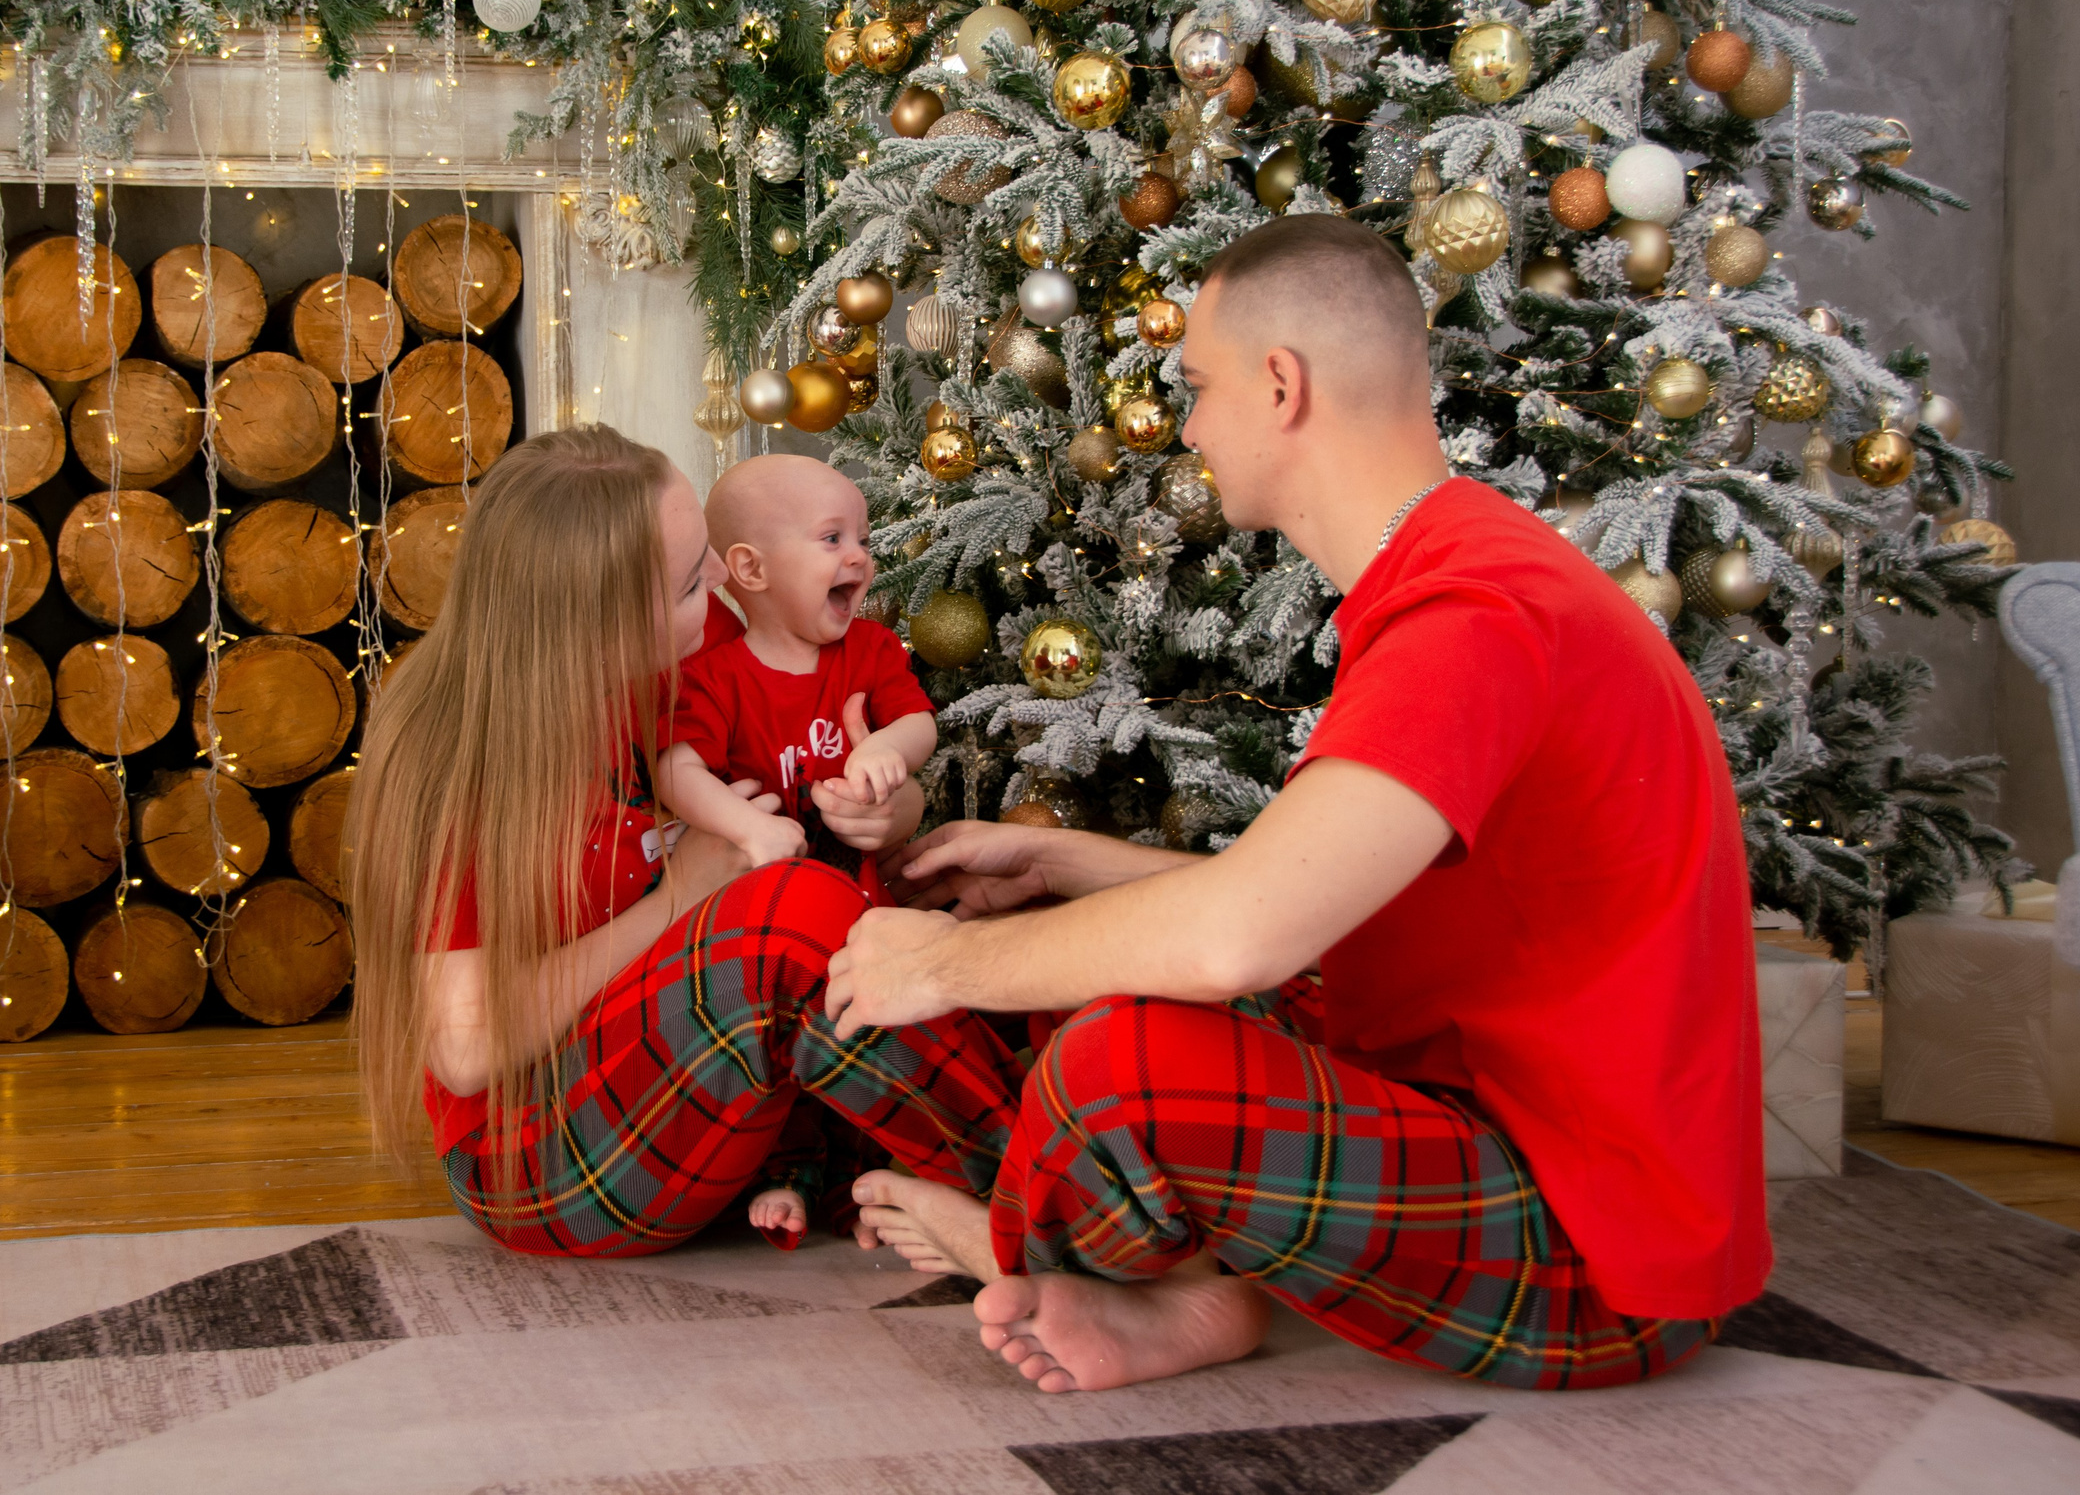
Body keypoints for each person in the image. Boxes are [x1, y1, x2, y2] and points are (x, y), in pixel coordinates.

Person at [828, 214, 1772, 1394]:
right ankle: (1191, 1294)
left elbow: (1244, 935)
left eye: (1198, 386)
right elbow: (1318, 901)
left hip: (1597, 1255)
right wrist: (1066, 863)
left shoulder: (1474, 613)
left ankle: (1033, 1248)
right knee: (1108, 966)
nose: (1186, 427)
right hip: (1512, 1133)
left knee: (1121, 1061)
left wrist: (940, 965)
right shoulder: (1463, 570)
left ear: (1281, 385)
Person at [347, 426, 1020, 1261]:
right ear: (604, 628)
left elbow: (819, 776)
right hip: (536, 1150)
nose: (719, 579)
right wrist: (679, 897)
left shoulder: (703, 645)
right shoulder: (452, 760)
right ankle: (1038, 1208)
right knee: (791, 916)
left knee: (954, 885)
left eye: (703, 551)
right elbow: (465, 1051)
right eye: (689, 582)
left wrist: (893, 809)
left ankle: (1054, 1144)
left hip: (717, 1078)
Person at [656, 453, 942, 1244]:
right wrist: (747, 828)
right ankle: (787, 1173)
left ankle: (876, 1181)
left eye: (862, 538)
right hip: (767, 929)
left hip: (863, 912)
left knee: (876, 1038)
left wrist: (886, 752)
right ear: (750, 569)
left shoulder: (869, 652)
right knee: (784, 1053)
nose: (859, 557)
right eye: (831, 538)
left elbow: (919, 722)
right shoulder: (716, 677)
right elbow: (677, 769)